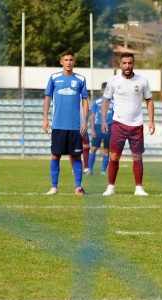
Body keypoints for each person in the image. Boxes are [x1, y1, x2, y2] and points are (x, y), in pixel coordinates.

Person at [102, 53, 155, 196]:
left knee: (137, 157)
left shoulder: (142, 80)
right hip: (118, 124)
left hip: (137, 126)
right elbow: (106, 100)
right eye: (124, 63)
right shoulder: (113, 81)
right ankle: (110, 187)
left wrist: (151, 121)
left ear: (133, 64)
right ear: (120, 64)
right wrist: (103, 121)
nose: (127, 66)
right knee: (114, 156)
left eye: (130, 63)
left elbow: (149, 100)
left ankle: (139, 188)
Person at [42, 50, 89, 196]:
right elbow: (48, 97)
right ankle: (54, 187)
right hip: (58, 125)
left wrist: (84, 121)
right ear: (61, 62)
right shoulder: (54, 77)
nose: (68, 62)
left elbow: (85, 100)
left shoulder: (80, 79)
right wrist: (45, 119)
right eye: (66, 60)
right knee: (55, 155)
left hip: (75, 126)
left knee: (76, 156)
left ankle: (78, 187)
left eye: (71, 60)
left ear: (74, 62)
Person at [87, 82, 114, 175]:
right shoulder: (96, 102)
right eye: (104, 90)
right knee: (93, 148)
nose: (106, 92)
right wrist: (92, 129)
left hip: (109, 127)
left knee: (107, 150)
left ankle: (103, 171)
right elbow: (92, 116)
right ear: (101, 91)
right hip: (98, 126)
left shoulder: (114, 103)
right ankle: (90, 169)